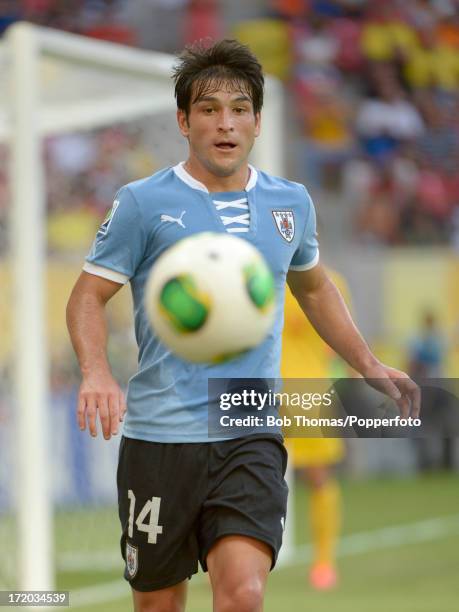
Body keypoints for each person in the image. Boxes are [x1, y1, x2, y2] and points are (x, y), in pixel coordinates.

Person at [66, 39, 420, 612]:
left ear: (257, 120)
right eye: (208, 110)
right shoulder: (141, 202)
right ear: (184, 121)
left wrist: (367, 362)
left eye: (238, 109)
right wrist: (96, 373)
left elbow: (314, 287)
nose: (224, 123)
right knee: (159, 605)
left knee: (243, 596)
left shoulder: (291, 203)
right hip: (160, 439)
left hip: (249, 430)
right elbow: (86, 297)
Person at [282, 271, 349, 591]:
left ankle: (324, 562)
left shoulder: (330, 281)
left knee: (318, 477)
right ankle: (323, 564)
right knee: (242, 474)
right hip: (273, 392)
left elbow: (339, 339)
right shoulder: (261, 277)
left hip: (306, 393)